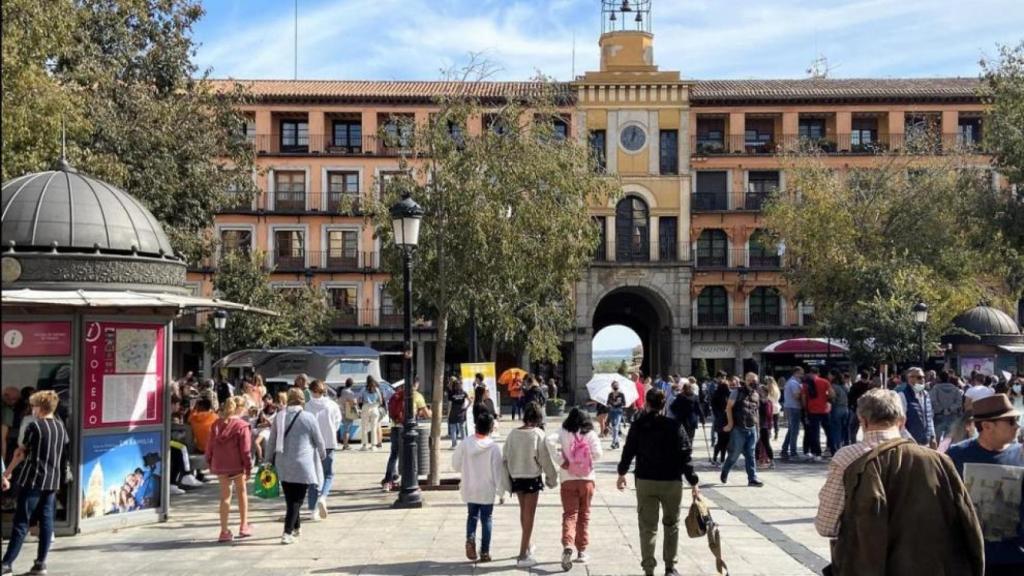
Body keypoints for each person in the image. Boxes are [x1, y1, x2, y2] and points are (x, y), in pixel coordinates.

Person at [815, 388, 984, 576]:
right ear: (902, 421)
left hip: (868, 565)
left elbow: (826, 525)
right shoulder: (938, 460)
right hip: (928, 565)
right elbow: (967, 519)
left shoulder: (847, 458)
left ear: (862, 421)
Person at [617, 388, 699, 576]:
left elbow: (628, 451)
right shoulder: (675, 426)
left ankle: (648, 568)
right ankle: (670, 566)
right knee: (671, 524)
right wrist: (693, 481)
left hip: (646, 480)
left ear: (646, 404)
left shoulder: (638, 425)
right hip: (671, 482)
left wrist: (622, 473)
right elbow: (685, 455)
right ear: (664, 405)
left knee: (647, 527)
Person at [947, 394, 1024, 575]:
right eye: (1011, 421)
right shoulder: (956, 456)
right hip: (970, 559)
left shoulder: (1020, 455)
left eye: (1018, 420)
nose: (1017, 426)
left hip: (1015, 560)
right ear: (987, 426)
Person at [1, 391, 69, 576]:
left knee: (21, 522)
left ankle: (6, 564)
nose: (32, 409)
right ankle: (40, 564)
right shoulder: (60, 427)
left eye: (33, 406)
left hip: (33, 480)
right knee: (46, 522)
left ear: (41, 407)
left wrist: (6, 473)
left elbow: (20, 453)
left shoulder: (35, 427)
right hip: (52, 481)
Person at [501, 401, 558, 568]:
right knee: (529, 515)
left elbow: (505, 455)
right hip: (532, 477)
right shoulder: (538, 434)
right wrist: (552, 478)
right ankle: (522, 553)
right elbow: (545, 460)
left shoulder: (512, 434)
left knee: (523, 512)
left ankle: (527, 544)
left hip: (516, 477)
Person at [267, 388, 325, 545]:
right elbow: (319, 440)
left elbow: (271, 441)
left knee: (290, 498)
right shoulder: (308, 417)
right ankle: (286, 533)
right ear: (302, 401)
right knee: (296, 501)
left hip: (282, 463)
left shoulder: (279, 417)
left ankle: (296, 527)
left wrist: (267, 460)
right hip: (302, 464)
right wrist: (322, 454)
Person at [453, 412, 504, 564]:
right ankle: (485, 552)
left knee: (472, 516)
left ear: (476, 426)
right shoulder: (493, 447)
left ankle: (470, 537)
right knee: (486, 519)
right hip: (487, 489)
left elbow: (455, 464)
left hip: (470, 487)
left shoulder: (466, 443)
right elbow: (497, 472)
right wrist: (501, 492)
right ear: (491, 428)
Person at [557, 407, 602, 571]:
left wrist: (562, 460)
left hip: (567, 478)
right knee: (584, 515)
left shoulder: (562, 431)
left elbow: (549, 441)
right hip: (587, 479)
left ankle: (567, 544)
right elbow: (598, 454)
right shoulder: (590, 434)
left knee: (570, 514)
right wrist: (585, 459)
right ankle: (581, 551)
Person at [205, 396, 253, 542]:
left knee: (225, 497)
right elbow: (245, 450)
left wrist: (209, 461)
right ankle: (243, 525)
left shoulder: (216, 425)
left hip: (220, 464)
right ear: (240, 408)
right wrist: (248, 467)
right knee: (242, 493)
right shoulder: (242, 426)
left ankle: (224, 531)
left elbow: (210, 446)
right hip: (237, 464)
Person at [381, 379, 430, 491]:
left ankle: (388, 482)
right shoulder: (416, 395)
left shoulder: (397, 395)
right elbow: (427, 414)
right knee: (411, 455)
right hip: (409, 429)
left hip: (395, 427)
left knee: (394, 455)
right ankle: (410, 482)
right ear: (416, 385)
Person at [305, 379, 341, 521]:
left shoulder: (307, 406)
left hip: (312, 445)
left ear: (311, 391)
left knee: (313, 477)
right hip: (329, 442)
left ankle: (312, 510)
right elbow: (337, 422)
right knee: (328, 474)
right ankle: (323, 497)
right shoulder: (332, 405)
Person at [720, 372, 764, 487]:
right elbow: (728, 408)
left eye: (754, 380)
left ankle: (752, 479)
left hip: (752, 428)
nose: (752, 382)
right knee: (734, 454)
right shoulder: (737, 392)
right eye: (749, 380)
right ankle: (725, 470)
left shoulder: (756, 394)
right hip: (738, 428)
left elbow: (756, 411)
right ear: (745, 380)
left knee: (750, 454)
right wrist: (730, 424)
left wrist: (757, 428)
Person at [899, 367, 937, 447]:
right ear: (910, 379)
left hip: (926, 443)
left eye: (924, 377)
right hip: (910, 444)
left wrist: (932, 436)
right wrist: (909, 439)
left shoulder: (926, 395)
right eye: (919, 377)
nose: (922, 380)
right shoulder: (903, 396)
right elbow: (900, 422)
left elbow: (929, 417)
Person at [802, 368, 833, 460]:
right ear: (818, 373)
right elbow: (832, 394)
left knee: (815, 433)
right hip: (824, 410)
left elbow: (803, 398)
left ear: (810, 373)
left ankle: (817, 453)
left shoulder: (806, 384)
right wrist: (826, 399)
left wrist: (805, 409)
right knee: (829, 431)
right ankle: (833, 450)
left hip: (812, 410)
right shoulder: (825, 381)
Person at [932, 369, 966, 441]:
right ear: (948, 378)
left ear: (940, 378)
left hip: (939, 415)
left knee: (937, 438)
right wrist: (950, 409)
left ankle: (938, 451)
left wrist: (941, 409)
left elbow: (933, 401)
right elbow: (959, 402)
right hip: (952, 415)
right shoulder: (955, 389)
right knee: (949, 439)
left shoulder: (935, 388)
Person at [781, 367, 804, 459]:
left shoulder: (790, 382)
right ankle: (793, 452)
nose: (802, 375)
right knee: (794, 431)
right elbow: (796, 395)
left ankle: (785, 449)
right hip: (794, 407)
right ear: (796, 373)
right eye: (801, 373)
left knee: (791, 430)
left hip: (790, 407)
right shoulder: (794, 383)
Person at [710, 376, 733, 465]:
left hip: (719, 420)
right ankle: (722, 458)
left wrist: (717, 415)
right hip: (726, 420)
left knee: (720, 440)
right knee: (724, 441)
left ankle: (716, 457)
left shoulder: (716, 394)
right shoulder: (728, 395)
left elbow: (713, 407)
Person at [828, 369, 851, 452]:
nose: (828, 376)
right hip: (846, 409)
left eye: (829, 375)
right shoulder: (845, 386)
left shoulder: (833, 386)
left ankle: (837, 447)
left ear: (833, 376)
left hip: (837, 408)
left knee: (836, 429)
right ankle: (844, 445)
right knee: (843, 429)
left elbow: (832, 398)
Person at [359, 377, 383, 451]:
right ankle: (373, 445)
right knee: (374, 427)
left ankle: (364, 445)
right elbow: (381, 401)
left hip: (366, 407)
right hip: (375, 407)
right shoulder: (377, 389)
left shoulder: (363, 389)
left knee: (364, 427)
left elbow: (359, 399)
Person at [757, 382, 776, 470]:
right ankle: (756, 460)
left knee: (766, 444)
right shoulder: (756, 401)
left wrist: (770, 428)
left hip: (764, 426)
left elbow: (770, 416)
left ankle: (772, 461)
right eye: (759, 390)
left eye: (761, 390)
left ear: (765, 392)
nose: (759, 392)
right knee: (756, 444)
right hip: (756, 425)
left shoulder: (769, 402)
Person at [447, 377, 469, 449]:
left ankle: (454, 445)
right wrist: (466, 408)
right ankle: (465, 444)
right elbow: (470, 401)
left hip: (453, 411)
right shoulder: (463, 392)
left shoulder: (451, 393)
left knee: (453, 428)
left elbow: (449, 405)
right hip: (461, 411)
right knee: (462, 428)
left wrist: (448, 414)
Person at [337, 378, 359, 450]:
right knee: (347, 429)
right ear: (352, 384)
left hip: (341, 411)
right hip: (348, 412)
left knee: (342, 428)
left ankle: (343, 443)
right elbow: (354, 403)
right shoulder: (350, 393)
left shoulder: (341, 391)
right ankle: (345, 445)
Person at [606, 381, 627, 449]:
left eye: (616, 385)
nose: (615, 386)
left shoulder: (621, 394)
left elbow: (624, 403)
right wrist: (609, 405)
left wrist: (619, 404)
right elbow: (607, 403)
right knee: (614, 427)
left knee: (615, 427)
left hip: (618, 412)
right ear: (612, 386)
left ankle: (614, 442)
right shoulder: (610, 394)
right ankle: (617, 442)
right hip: (612, 412)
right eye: (614, 385)